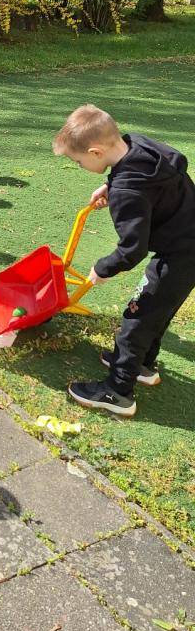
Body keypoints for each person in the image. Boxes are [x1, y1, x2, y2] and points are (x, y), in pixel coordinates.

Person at [53, 105, 195, 417]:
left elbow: (132, 248)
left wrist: (103, 268)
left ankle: (118, 391)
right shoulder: (139, 146)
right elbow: (138, 177)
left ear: (95, 151)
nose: (79, 165)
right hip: (188, 242)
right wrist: (111, 182)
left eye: (78, 161)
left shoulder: (129, 191)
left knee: (137, 319)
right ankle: (143, 365)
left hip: (179, 253)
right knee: (159, 311)